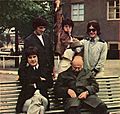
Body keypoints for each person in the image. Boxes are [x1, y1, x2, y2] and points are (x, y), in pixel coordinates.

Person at [19, 16, 54, 88]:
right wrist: (21, 72)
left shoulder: (47, 38)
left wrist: (53, 68)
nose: (43, 30)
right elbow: (25, 57)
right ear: (35, 27)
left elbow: (51, 54)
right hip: (37, 72)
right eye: (40, 28)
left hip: (47, 71)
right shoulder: (29, 40)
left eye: (44, 28)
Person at [16, 46, 48, 114]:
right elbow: (24, 82)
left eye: (34, 56)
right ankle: (40, 110)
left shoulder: (44, 69)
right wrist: (39, 79)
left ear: (38, 57)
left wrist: (33, 83)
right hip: (27, 100)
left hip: (43, 99)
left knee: (38, 98)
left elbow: (49, 83)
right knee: (37, 104)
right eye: (30, 57)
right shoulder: (23, 71)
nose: (32, 59)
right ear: (27, 59)